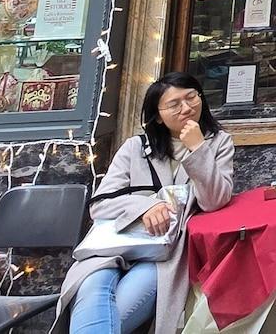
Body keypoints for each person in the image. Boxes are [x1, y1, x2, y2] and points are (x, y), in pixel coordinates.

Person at [51, 73, 234, 334]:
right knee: (91, 289)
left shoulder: (218, 143)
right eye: (174, 104)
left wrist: (198, 150)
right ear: (158, 116)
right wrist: (145, 207)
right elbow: (100, 204)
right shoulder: (134, 148)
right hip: (113, 247)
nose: (186, 108)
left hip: (165, 254)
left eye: (191, 97)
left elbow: (214, 201)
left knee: (114, 315)